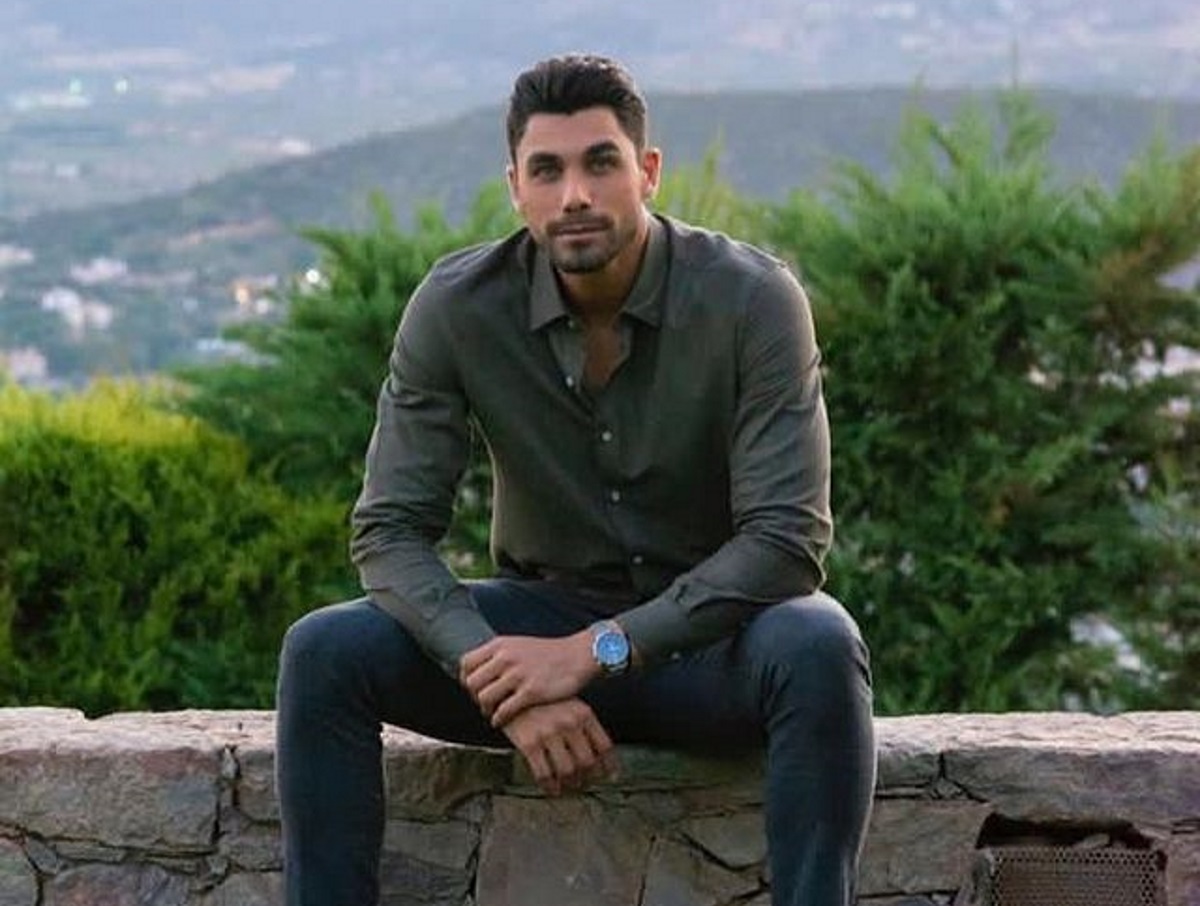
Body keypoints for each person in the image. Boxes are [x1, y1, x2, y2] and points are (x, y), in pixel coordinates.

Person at [276, 53, 876, 906]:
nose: (575, 196)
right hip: (539, 619)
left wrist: (594, 654)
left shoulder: (752, 300)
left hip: (709, 644)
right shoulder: (458, 306)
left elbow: (787, 542)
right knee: (324, 652)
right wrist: (496, 675)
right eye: (547, 171)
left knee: (817, 645)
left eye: (601, 163)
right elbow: (389, 530)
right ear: (516, 188)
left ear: (648, 172)